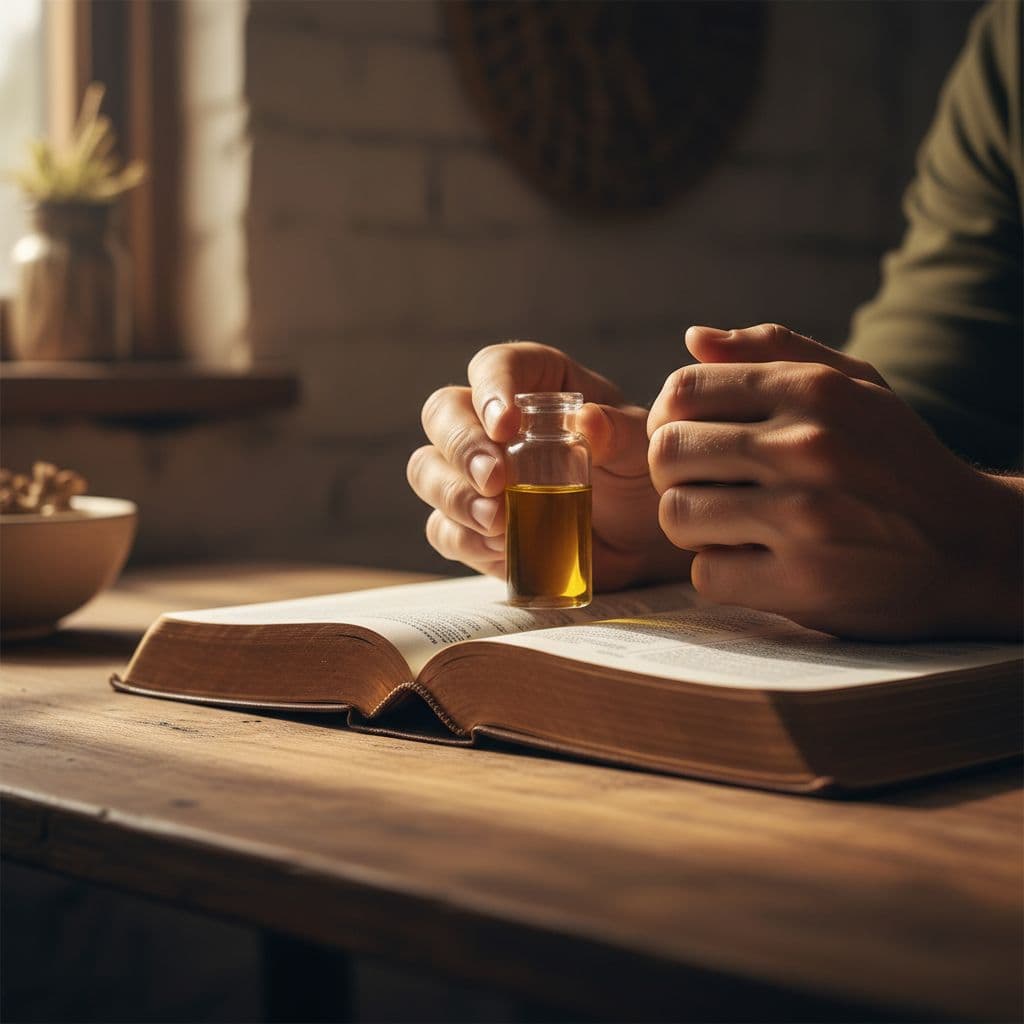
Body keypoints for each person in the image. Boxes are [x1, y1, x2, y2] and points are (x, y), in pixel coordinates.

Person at [406, 0, 1022, 640]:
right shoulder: (1008, 47)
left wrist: (993, 537)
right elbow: (915, 426)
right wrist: (676, 515)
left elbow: (938, 507)